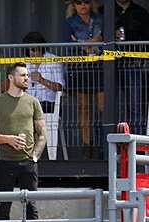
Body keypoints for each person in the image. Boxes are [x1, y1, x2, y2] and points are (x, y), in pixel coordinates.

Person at [0, 63, 46, 222]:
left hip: (28, 162)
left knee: (31, 207)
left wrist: (35, 156)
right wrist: (8, 139)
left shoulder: (33, 102)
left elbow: (42, 134)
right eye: (23, 75)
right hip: (5, 162)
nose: (27, 78)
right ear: (11, 78)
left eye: (27, 75)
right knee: (4, 206)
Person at [62, 0, 104, 158]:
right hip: (79, 67)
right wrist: (93, 42)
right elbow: (68, 44)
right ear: (74, 5)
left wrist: (84, 43)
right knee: (83, 108)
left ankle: (103, 142)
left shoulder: (100, 18)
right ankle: (87, 145)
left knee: (103, 107)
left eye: (86, 1)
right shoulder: (69, 22)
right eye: (78, 2)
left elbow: (107, 38)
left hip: (99, 65)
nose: (83, 5)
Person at [23, 32, 65, 113]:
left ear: (41, 48)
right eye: (28, 50)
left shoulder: (54, 60)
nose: (31, 53)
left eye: (34, 50)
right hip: (28, 103)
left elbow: (60, 87)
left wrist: (41, 80)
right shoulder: (25, 62)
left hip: (48, 103)